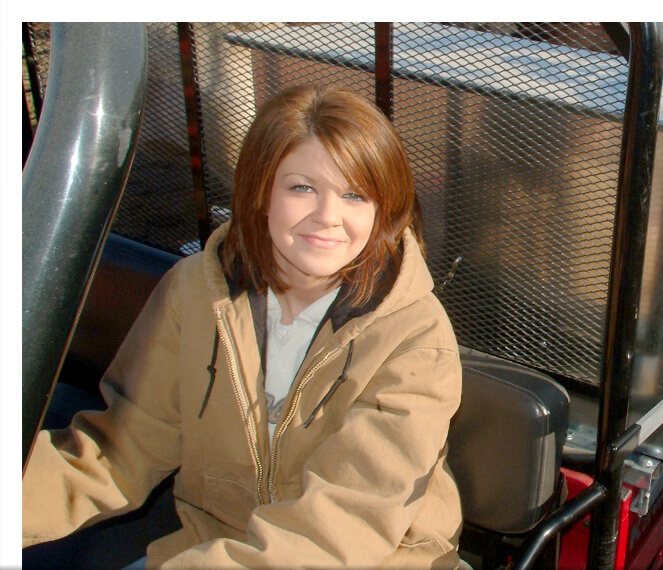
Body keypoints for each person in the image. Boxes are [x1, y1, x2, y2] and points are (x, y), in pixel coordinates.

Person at [23, 86, 463, 568]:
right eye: (302, 188)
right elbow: (119, 451)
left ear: (384, 209)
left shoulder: (413, 337)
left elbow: (342, 527)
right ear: (261, 192)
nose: (328, 217)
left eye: (355, 195)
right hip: (219, 541)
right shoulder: (196, 293)